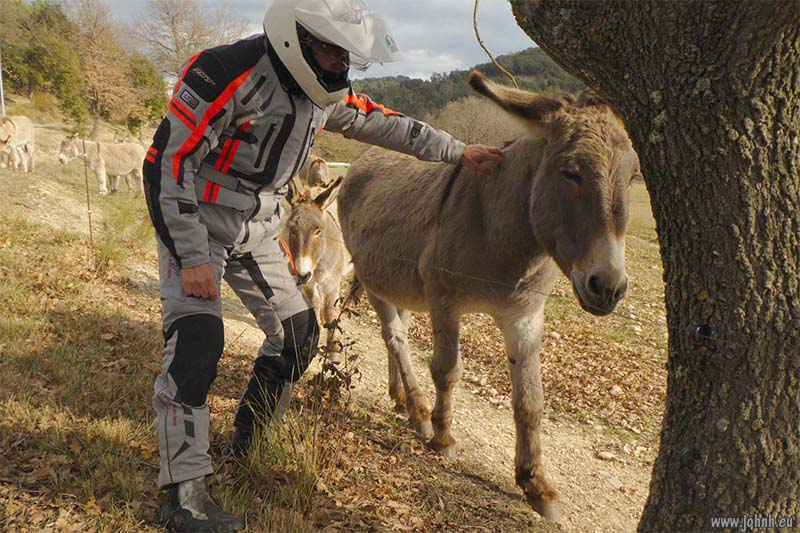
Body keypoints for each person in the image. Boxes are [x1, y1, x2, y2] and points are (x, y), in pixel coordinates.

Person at [143, 0, 504, 530]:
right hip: (197, 217)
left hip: (262, 222)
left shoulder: (323, 91)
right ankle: (184, 493)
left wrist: (459, 151)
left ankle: (251, 438)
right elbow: (166, 161)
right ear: (297, 38)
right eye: (333, 50)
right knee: (197, 342)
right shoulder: (222, 72)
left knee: (298, 332)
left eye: (348, 53)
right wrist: (192, 255)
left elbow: (389, 125)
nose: (343, 63)